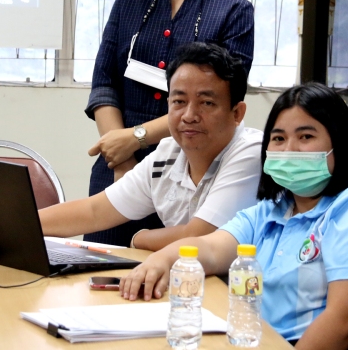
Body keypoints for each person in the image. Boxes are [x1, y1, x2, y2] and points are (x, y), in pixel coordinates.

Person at [119, 83, 348, 350]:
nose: (290, 149)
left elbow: (345, 321)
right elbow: (208, 248)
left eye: (306, 136)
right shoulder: (272, 211)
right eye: (278, 138)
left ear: (339, 144)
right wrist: (161, 261)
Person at [84, 0, 255, 246]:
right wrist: (120, 154)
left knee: (179, 268)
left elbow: (223, 98)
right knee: (98, 265)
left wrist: (136, 138)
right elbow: (104, 83)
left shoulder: (234, 11)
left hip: (192, 166)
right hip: (116, 163)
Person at [39, 43, 262, 251]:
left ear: (237, 113)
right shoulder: (167, 154)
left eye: (207, 103)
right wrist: (24, 222)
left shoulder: (251, 152)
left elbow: (198, 237)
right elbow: (94, 211)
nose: (189, 116)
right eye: (179, 102)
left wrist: (140, 238)